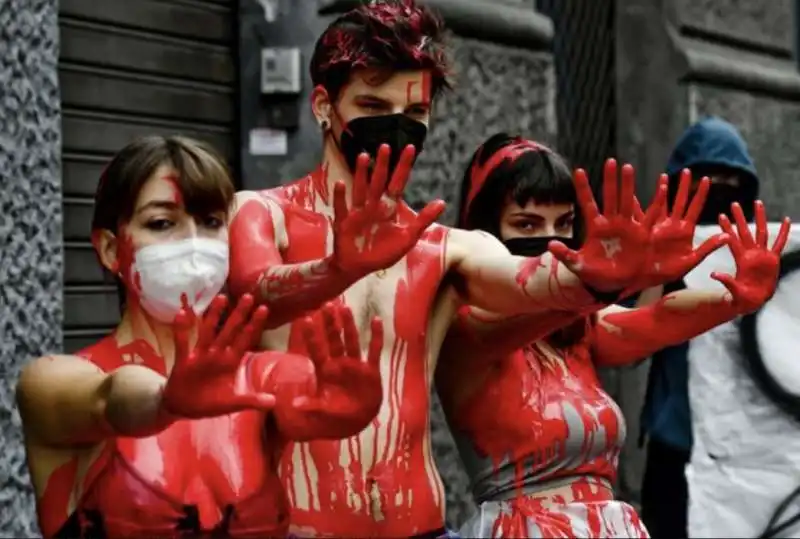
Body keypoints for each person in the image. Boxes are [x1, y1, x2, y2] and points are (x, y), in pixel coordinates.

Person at [226, 2, 676, 536]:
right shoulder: (261, 213)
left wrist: (600, 276)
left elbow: (533, 284)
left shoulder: (443, 247)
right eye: (372, 103)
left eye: (413, 113)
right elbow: (257, 292)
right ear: (323, 105)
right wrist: (335, 268)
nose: (396, 125)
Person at [16, 136, 386, 539]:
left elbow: (308, 401)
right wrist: (165, 402)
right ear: (109, 249)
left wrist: (349, 409)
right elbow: (112, 398)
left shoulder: (254, 379)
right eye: (161, 223)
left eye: (211, 221)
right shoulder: (52, 381)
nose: (194, 243)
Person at [434, 133, 788, 538]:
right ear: (483, 233)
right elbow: (558, 302)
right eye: (526, 224)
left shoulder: (575, 329)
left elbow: (655, 320)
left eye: (564, 223)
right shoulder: (466, 329)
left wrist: (733, 299)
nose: (551, 239)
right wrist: (610, 282)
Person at [638, 117, 760, 538]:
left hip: (743, 445)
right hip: (676, 444)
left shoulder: (757, 256)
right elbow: (629, 343)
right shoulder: (660, 254)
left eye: (732, 181)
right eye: (710, 180)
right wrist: (656, 265)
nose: (722, 189)